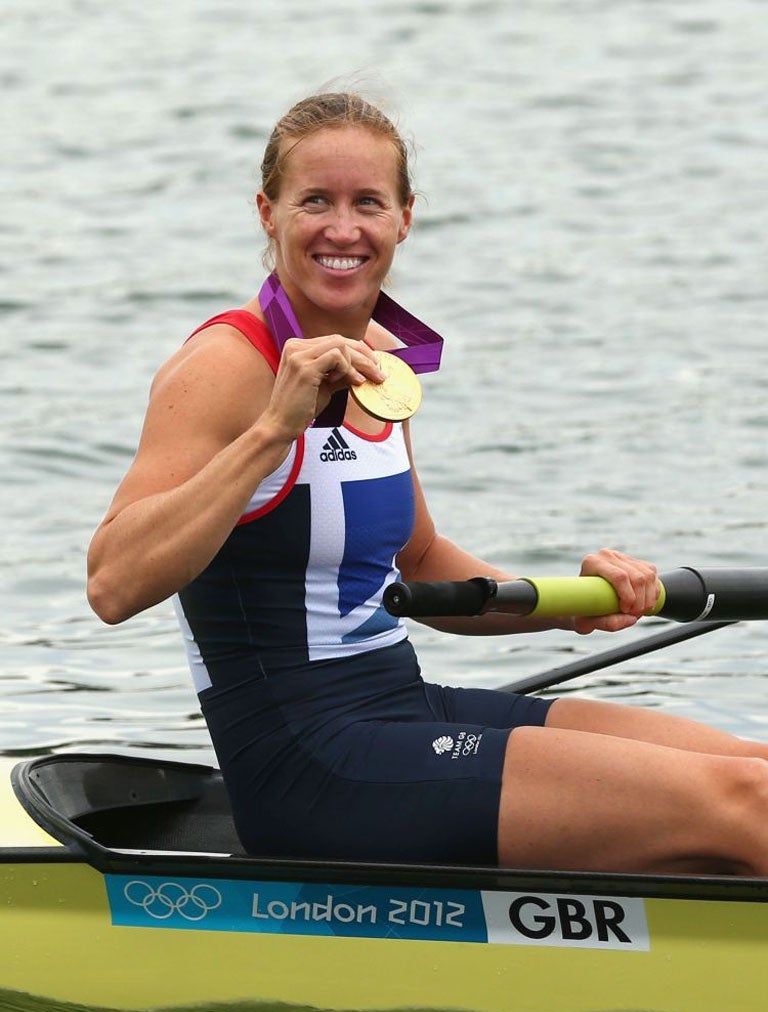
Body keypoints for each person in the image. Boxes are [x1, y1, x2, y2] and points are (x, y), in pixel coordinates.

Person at [87, 91, 768, 875]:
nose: (343, 229)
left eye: (367, 203)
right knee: (744, 801)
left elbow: (422, 561)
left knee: (757, 770)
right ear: (268, 213)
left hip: (404, 711)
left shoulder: (385, 359)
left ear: (405, 218)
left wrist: (569, 604)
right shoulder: (223, 367)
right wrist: (273, 429)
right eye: (315, 201)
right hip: (311, 768)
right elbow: (114, 584)